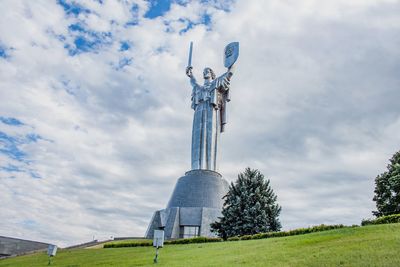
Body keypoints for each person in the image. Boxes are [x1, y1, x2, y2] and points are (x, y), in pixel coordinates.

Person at [186, 65, 235, 171]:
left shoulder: (216, 83)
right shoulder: (198, 88)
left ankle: (211, 168)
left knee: (210, 137)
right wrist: (190, 75)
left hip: (211, 112)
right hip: (199, 114)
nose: (205, 72)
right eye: (204, 71)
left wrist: (231, 62)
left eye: (207, 71)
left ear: (212, 74)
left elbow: (229, 74)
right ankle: (197, 168)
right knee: (197, 138)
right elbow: (193, 82)